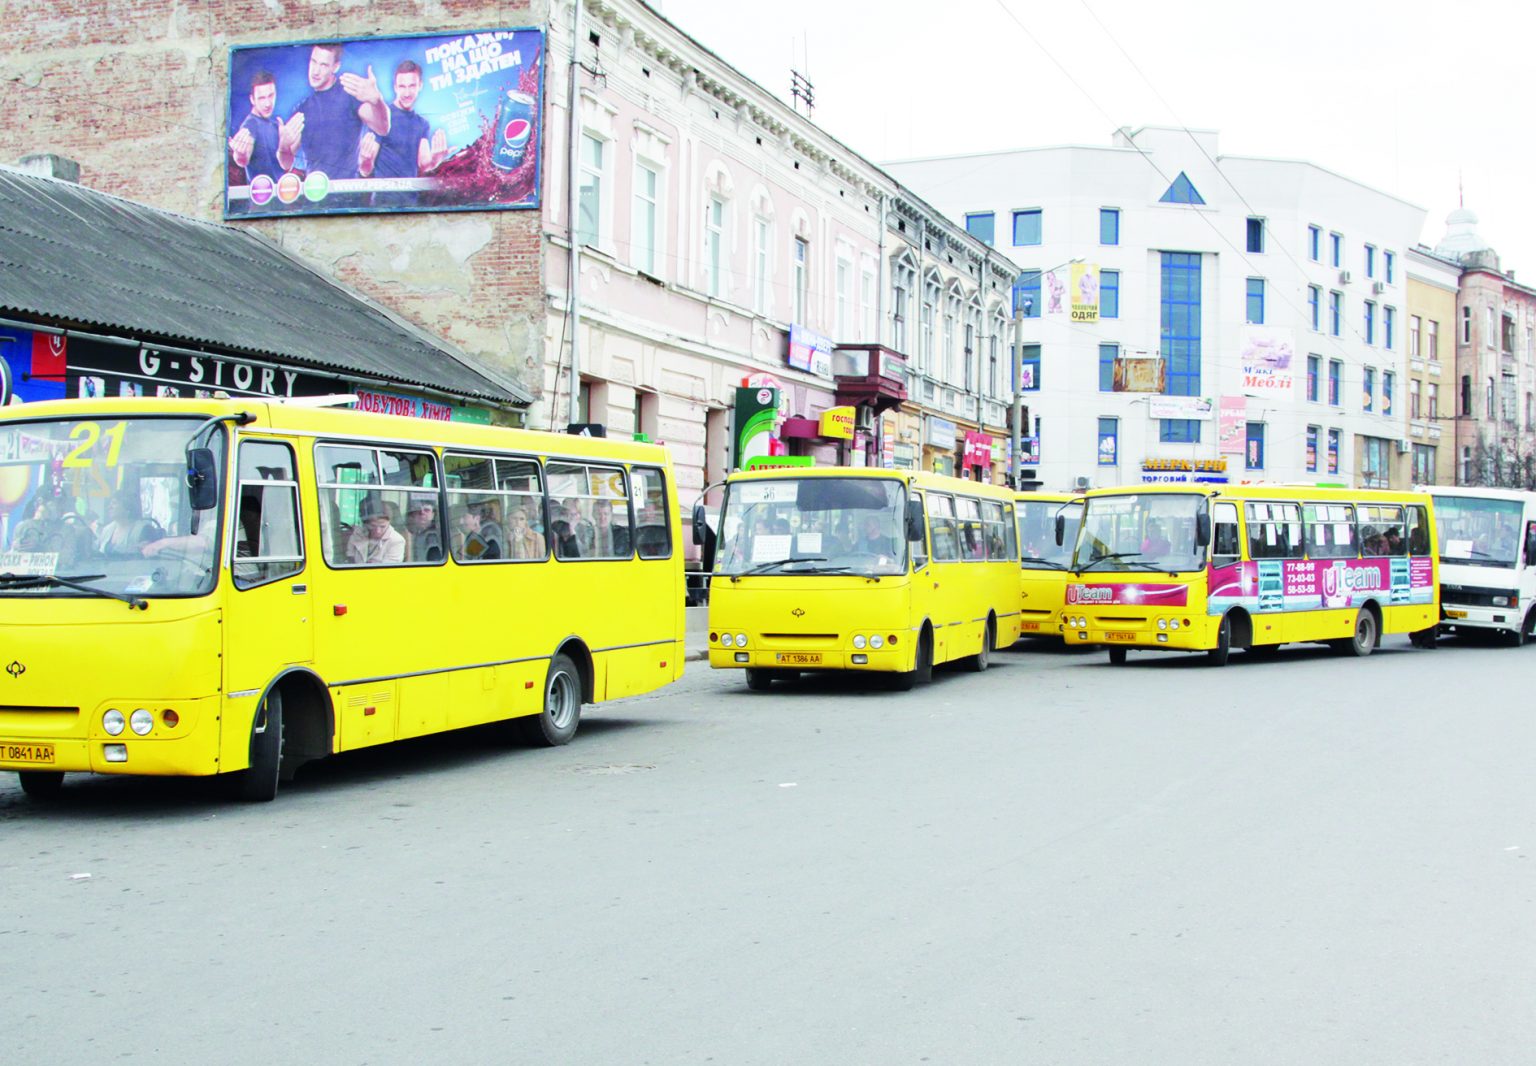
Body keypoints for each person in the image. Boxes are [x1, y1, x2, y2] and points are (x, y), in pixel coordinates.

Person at [277, 43, 391, 181]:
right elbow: (286, 163)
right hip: (316, 194)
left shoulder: (349, 94)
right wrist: (283, 146)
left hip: (347, 193)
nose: (316, 71)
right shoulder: (302, 109)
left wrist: (377, 100)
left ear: (335, 67)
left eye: (323, 65)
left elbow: (383, 128)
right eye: (313, 62)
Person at [356, 60, 449, 202]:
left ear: (420, 86)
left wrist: (436, 159)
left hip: (411, 202)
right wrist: (364, 160)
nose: (406, 93)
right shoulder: (382, 118)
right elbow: (366, 170)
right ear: (395, 87)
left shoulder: (422, 124)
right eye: (402, 86)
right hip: (383, 202)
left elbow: (424, 164)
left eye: (412, 86)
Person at [227, 71, 285, 184]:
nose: (268, 103)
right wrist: (240, 155)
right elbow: (243, 158)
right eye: (262, 98)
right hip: (262, 198)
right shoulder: (250, 125)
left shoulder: (275, 124)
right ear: (252, 99)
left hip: (281, 195)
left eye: (271, 96)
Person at [97, 490, 160, 556]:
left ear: (127, 508)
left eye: (114, 503)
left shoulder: (144, 530)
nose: (109, 507)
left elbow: (148, 555)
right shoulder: (106, 530)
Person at [345, 499, 405, 564]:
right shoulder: (357, 534)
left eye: (382, 526)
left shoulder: (397, 540)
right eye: (373, 526)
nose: (378, 531)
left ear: (389, 522)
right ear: (366, 523)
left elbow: (389, 570)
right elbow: (349, 558)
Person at [404, 496, 442, 562]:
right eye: (418, 510)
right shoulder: (407, 533)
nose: (422, 513)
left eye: (426, 510)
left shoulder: (435, 536)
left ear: (433, 515)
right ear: (413, 515)